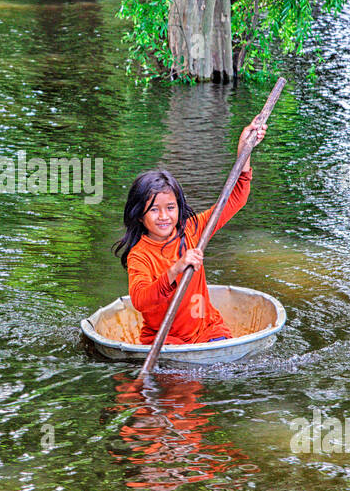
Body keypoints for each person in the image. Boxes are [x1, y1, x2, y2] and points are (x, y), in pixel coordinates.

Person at [113, 119, 266, 345]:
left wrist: (245, 151)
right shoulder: (140, 255)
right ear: (139, 215)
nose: (164, 217)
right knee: (186, 382)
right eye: (154, 210)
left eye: (170, 208)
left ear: (179, 208)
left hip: (207, 328)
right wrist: (176, 269)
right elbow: (140, 300)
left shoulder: (191, 229)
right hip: (165, 339)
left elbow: (235, 199)